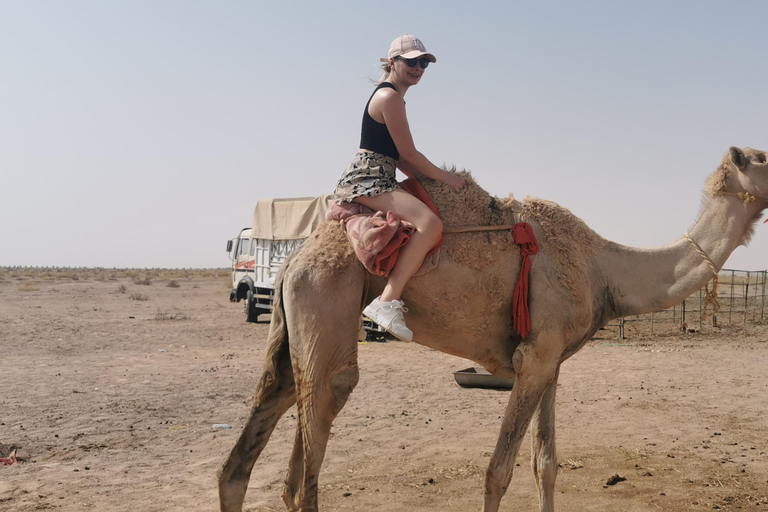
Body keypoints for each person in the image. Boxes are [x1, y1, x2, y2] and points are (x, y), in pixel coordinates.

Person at [334, 34, 466, 341]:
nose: (418, 67)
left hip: (380, 174)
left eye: (423, 63)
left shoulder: (392, 96)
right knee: (430, 224)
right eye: (411, 61)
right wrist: (448, 178)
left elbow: (401, 159)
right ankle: (388, 301)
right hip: (369, 179)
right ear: (392, 62)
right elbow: (408, 155)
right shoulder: (390, 97)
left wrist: (429, 178)